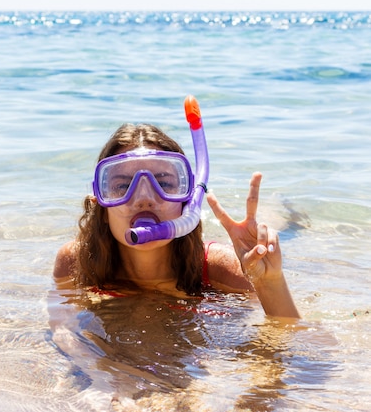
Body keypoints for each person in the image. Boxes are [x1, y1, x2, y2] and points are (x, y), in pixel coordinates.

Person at [53, 122, 300, 319]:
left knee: (278, 231)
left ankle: (290, 214)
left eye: (163, 184)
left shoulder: (220, 268)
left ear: (188, 200)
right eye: (123, 186)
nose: (144, 198)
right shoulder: (77, 262)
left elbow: (295, 348)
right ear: (100, 204)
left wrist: (270, 281)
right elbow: (62, 332)